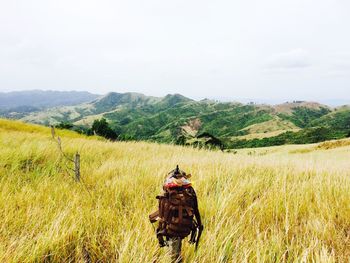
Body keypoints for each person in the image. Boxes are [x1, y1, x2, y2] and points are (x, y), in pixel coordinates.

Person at [149, 165, 203, 263]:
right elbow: (196, 209)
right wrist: (199, 225)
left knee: (174, 256)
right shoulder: (190, 190)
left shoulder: (166, 189)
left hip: (170, 228)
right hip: (185, 226)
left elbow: (162, 212)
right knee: (175, 253)